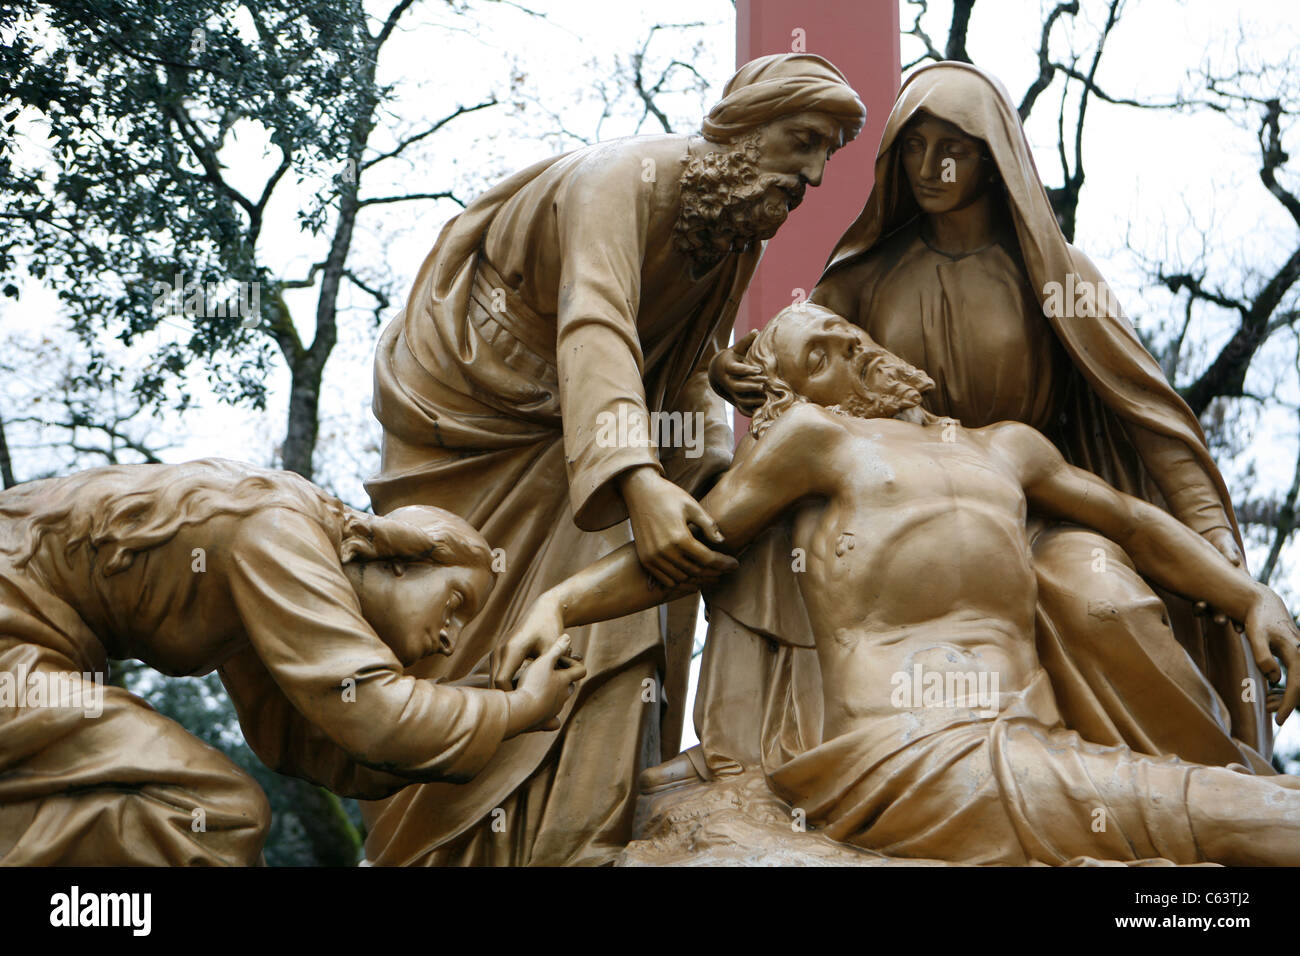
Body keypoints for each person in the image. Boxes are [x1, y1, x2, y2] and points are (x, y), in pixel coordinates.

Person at [499, 305, 1300, 865]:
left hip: (1037, 745)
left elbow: (1131, 521)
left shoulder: (1007, 448)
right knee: (1240, 814)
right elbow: (685, 548)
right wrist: (559, 603)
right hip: (914, 758)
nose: (848, 347)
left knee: (1222, 815)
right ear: (788, 395)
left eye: (847, 333)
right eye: (818, 352)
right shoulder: (817, 444)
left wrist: (1247, 595)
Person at [695, 61, 1269, 788]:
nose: (930, 168)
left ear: (994, 160)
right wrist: (726, 370)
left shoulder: (1057, 277)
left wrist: (1223, 560)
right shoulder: (869, 273)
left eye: (954, 149)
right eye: (912, 147)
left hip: (1034, 502)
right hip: (894, 510)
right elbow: (790, 352)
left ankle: (1221, 798)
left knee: (1109, 607)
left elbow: (1150, 420)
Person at [360, 54, 867, 866]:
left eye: (826, 156)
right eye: (802, 140)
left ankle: (579, 841)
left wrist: (714, 370)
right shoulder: (617, 179)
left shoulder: (732, 227)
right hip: (485, 418)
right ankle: (448, 842)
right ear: (740, 128)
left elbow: (672, 350)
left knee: (629, 613)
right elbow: (596, 326)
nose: (810, 173)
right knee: (468, 621)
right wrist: (637, 483)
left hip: (595, 429)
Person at [0, 459, 582, 865]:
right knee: (209, 814)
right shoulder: (281, 530)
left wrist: (490, 697)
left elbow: (318, 745)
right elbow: (381, 719)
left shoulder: (276, 575)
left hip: (34, 643)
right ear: (405, 560)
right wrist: (518, 707)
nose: (451, 641)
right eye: (455, 605)